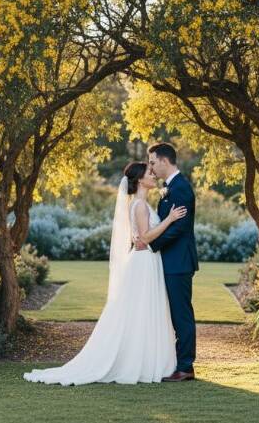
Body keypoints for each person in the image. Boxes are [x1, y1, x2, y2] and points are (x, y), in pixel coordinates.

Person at [22, 161, 187, 385]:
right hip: (144, 263)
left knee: (144, 312)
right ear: (140, 180)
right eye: (150, 173)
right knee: (141, 312)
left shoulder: (142, 204)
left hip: (147, 260)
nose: (154, 175)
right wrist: (170, 219)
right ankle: (140, 362)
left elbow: (140, 237)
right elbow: (146, 238)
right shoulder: (138, 205)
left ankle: (148, 360)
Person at [135, 142, 198, 382]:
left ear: (164, 161)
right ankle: (176, 362)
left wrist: (151, 244)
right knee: (173, 314)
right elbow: (164, 224)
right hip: (169, 261)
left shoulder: (180, 188)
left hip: (179, 262)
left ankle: (185, 367)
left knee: (181, 315)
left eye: (152, 162)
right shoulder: (169, 188)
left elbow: (179, 229)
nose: (150, 167)